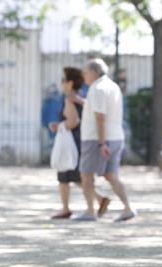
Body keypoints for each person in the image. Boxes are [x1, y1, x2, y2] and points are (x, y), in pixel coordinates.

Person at [71, 58, 135, 222]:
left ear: (94, 71)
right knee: (111, 175)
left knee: (85, 174)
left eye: (85, 73)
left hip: (96, 138)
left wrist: (101, 143)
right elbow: (98, 109)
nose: (84, 77)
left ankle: (90, 211)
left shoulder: (97, 88)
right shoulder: (112, 86)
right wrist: (81, 101)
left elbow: (100, 117)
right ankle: (128, 208)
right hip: (115, 136)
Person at [48, 67, 110, 219]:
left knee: (64, 175)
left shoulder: (69, 97)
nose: (61, 83)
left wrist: (58, 126)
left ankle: (65, 209)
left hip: (70, 141)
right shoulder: (81, 96)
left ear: (69, 83)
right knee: (77, 177)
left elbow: (73, 121)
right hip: (79, 139)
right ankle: (100, 199)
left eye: (63, 80)